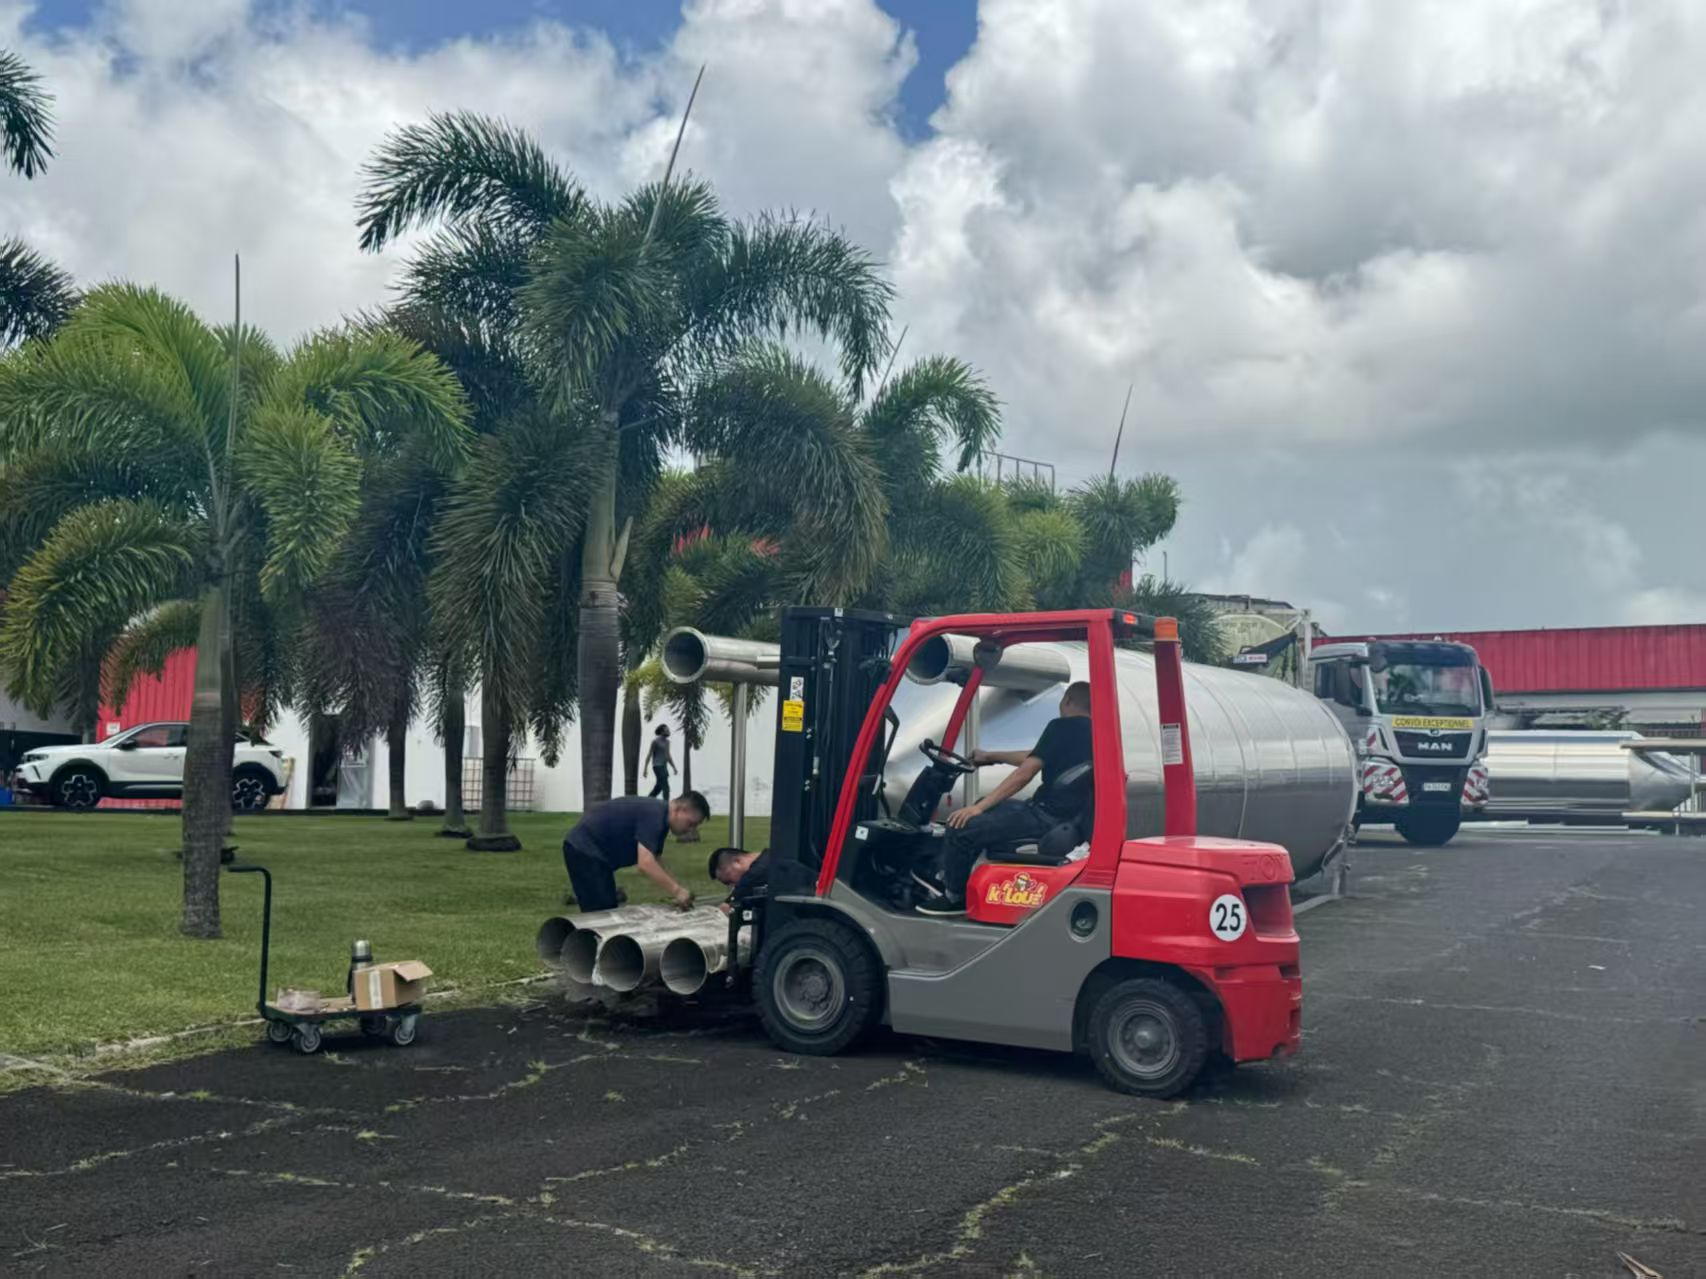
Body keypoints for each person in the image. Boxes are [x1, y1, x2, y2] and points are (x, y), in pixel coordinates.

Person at [915, 681, 1093, 917]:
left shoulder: (1061, 727)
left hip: (1043, 815)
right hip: (1064, 816)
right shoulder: (1094, 733)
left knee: (961, 826)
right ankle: (951, 873)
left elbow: (1025, 773)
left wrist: (978, 808)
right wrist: (991, 756)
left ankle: (953, 897)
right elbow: (1037, 755)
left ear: (1068, 701)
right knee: (982, 806)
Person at [562, 792, 710, 914]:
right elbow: (645, 863)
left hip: (595, 856)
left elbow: (656, 860)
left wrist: (677, 889)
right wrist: (677, 891)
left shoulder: (660, 815)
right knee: (599, 915)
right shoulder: (656, 815)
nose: (691, 830)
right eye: (691, 823)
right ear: (679, 810)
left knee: (606, 910)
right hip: (584, 850)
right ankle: (584, 947)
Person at [707, 845, 771, 914]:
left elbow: (725, 908)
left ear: (737, 861)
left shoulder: (756, 874)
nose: (734, 885)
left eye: (729, 880)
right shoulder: (771, 856)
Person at [647, 724, 675, 798]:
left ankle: (649, 799)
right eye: (667, 730)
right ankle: (666, 806)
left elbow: (668, 755)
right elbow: (649, 754)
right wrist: (645, 768)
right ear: (662, 731)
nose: (669, 731)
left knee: (659, 787)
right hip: (657, 766)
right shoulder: (655, 741)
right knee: (666, 787)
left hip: (664, 766)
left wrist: (674, 767)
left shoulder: (667, 742)